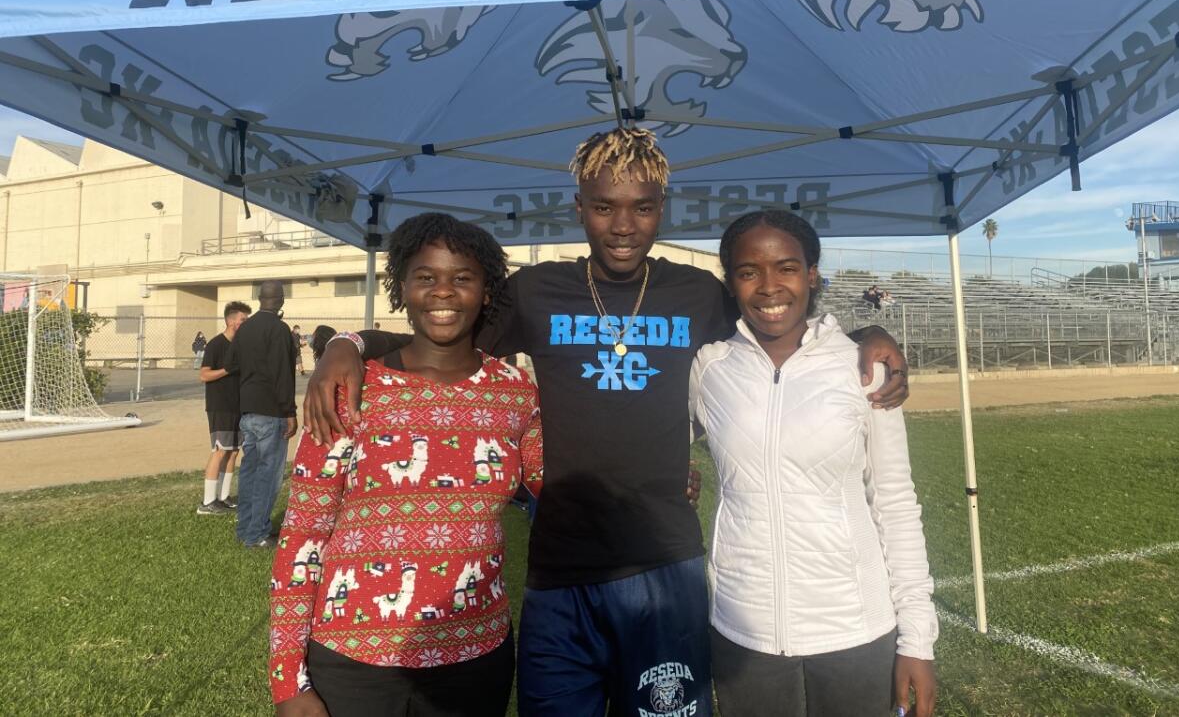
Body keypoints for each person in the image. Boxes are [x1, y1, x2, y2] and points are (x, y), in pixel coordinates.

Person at [306, 126, 911, 716]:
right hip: (559, 572)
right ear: (579, 208)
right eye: (603, 207)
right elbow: (444, 334)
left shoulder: (698, 293)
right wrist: (348, 343)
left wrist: (865, 333)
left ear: (661, 210)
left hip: (665, 565)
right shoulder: (538, 290)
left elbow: (779, 316)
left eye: (641, 208)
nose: (623, 226)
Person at [269, 213, 543, 717]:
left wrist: (651, 481)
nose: (443, 292)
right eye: (425, 277)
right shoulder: (351, 389)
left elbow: (556, 484)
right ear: (402, 288)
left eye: (462, 278)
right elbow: (304, 532)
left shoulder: (515, 392)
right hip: (354, 657)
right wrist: (289, 680)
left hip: (475, 655)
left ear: (486, 292)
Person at [691, 210, 937, 717]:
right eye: (748, 271)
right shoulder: (709, 368)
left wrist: (918, 638)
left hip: (854, 629)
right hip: (744, 629)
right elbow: (651, 441)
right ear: (731, 282)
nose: (768, 286)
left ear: (811, 274)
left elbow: (894, 501)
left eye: (786, 267)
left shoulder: (863, 367)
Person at [227, 280, 297, 548]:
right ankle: (257, 533)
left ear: (259, 298)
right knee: (269, 474)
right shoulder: (278, 329)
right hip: (272, 410)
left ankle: (246, 528)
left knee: (249, 472)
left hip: (249, 411)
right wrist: (289, 411)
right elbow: (282, 373)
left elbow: (231, 364)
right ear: (280, 300)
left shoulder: (245, 329)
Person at [196, 301, 251, 515]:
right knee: (220, 450)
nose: (245, 324)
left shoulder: (242, 346)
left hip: (238, 405)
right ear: (231, 321)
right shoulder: (216, 345)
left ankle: (224, 496)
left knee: (234, 451)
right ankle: (208, 502)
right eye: (243, 320)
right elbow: (204, 375)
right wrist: (227, 370)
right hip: (221, 405)